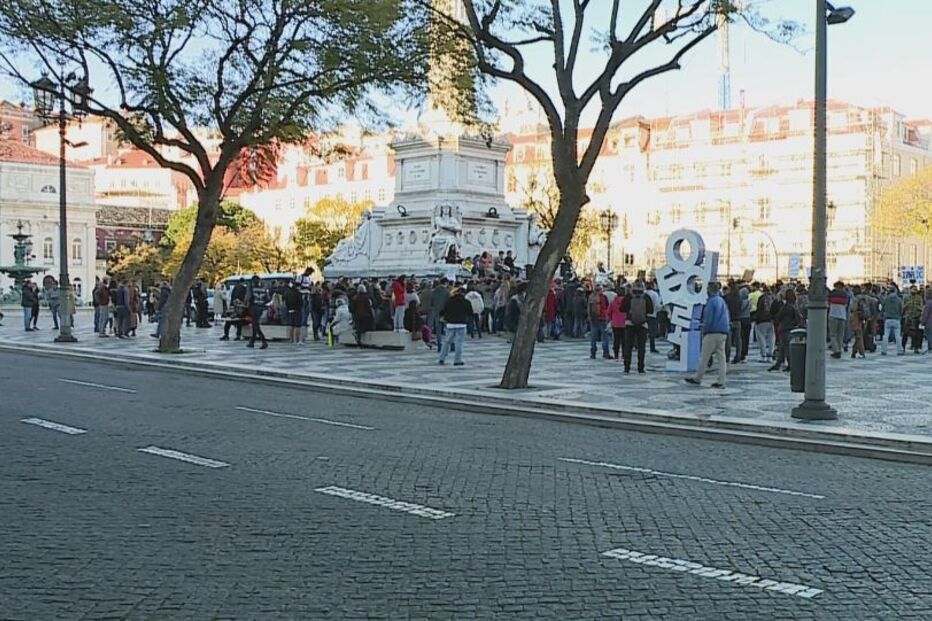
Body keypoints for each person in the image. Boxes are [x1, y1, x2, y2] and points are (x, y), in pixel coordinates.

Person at [685, 281, 730, 389]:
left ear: (710, 290)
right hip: (723, 332)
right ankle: (721, 380)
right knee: (721, 357)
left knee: (704, 356)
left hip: (712, 332)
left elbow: (708, 319)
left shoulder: (711, 302)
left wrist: (705, 330)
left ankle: (698, 377)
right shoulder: (721, 300)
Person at [621, 283, 653, 374]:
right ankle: (641, 367)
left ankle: (627, 367)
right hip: (643, 324)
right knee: (641, 347)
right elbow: (651, 310)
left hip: (629, 324)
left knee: (628, 347)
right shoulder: (646, 297)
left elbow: (622, 309)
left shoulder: (628, 297)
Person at [438, 286, 472, 366]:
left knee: (447, 342)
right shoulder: (466, 302)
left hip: (450, 324)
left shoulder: (449, 301)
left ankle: (442, 358)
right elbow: (470, 312)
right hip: (461, 324)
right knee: (459, 342)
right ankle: (457, 360)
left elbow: (442, 311)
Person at [770, 289, 799, 372]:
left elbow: (778, 317)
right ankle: (778, 364)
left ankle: (789, 365)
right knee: (782, 347)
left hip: (785, 328)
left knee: (786, 348)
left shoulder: (786, 307)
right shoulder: (794, 306)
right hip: (791, 328)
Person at [246, 275, 270, 349]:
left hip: (254, 308)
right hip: (260, 308)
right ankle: (252, 341)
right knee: (254, 324)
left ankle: (264, 341)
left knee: (255, 325)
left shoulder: (252, 289)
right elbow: (268, 299)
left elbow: (248, 298)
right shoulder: (263, 289)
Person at [588, 285, 611, 360]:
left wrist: (589, 317)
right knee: (604, 336)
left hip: (593, 319)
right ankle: (606, 353)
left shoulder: (591, 297)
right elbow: (606, 306)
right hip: (602, 318)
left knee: (593, 337)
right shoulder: (603, 297)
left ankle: (593, 353)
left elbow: (589, 308)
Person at [880, 285, 904, 356]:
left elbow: (882, 309)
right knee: (897, 336)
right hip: (896, 318)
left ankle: (884, 350)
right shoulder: (899, 299)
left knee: (885, 335)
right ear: (895, 291)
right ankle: (899, 350)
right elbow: (901, 309)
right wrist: (900, 315)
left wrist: (883, 314)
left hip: (888, 318)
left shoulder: (886, 299)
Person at [827, 281, 848, 359]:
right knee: (840, 335)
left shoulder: (832, 294)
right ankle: (839, 349)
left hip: (833, 315)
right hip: (842, 316)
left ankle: (836, 350)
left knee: (833, 334)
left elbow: (828, 303)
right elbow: (846, 305)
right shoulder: (845, 295)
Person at [754, 285, 774, 361]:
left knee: (761, 337)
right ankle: (770, 355)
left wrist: (757, 318)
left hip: (762, 319)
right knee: (771, 338)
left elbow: (759, 309)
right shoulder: (773, 297)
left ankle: (763, 355)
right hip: (771, 319)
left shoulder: (761, 298)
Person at [607, 287, 627, 361]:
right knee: (624, 340)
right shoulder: (626, 302)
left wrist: (611, 318)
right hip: (625, 323)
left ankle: (616, 355)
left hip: (615, 323)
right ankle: (624, 354)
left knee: (616, 340)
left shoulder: (613, 302)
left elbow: (608, 312)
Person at [284, 280, 304, 344]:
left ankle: (291, 339)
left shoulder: (287, 293)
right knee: (297, 326)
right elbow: (301, 303)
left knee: (291, 325)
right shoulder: (298, 293)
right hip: (297, 311)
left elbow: (286, 302)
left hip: (290, 310)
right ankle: (297, 340)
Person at [920, 289, 932, 354]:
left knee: (929, 335)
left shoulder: (928, 303)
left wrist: (923, 322)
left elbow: (925, 314)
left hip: (929, 322)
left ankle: (930, 348)